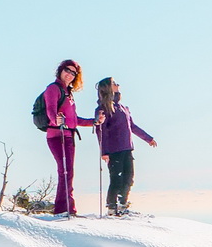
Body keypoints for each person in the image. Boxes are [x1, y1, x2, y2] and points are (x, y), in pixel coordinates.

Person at [93, 77, 157, 216]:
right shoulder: (103, 108)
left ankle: (122, 205)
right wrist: (104, 152)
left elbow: (132, 127)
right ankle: (111, 207)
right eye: (114, 83)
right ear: (108, 88)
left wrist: (148, 138)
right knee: (116, 178)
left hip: (127, 147)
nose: (118, 85)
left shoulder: (123, 107)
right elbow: (101, 131)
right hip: (113, 149)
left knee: (129, 177)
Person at [43, 59, 97, 217]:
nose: (70, 74)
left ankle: (66, 208)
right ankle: (64, 209)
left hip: (68, 136)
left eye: (74, 73)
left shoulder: (68, 93)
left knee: (68, 171)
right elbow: (50, 110)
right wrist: (55, 120)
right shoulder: (53, 89)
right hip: (57, 135)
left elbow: (74, 119)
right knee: (65, 171)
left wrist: (92, 122)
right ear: (60, 70)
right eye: (67, 70)